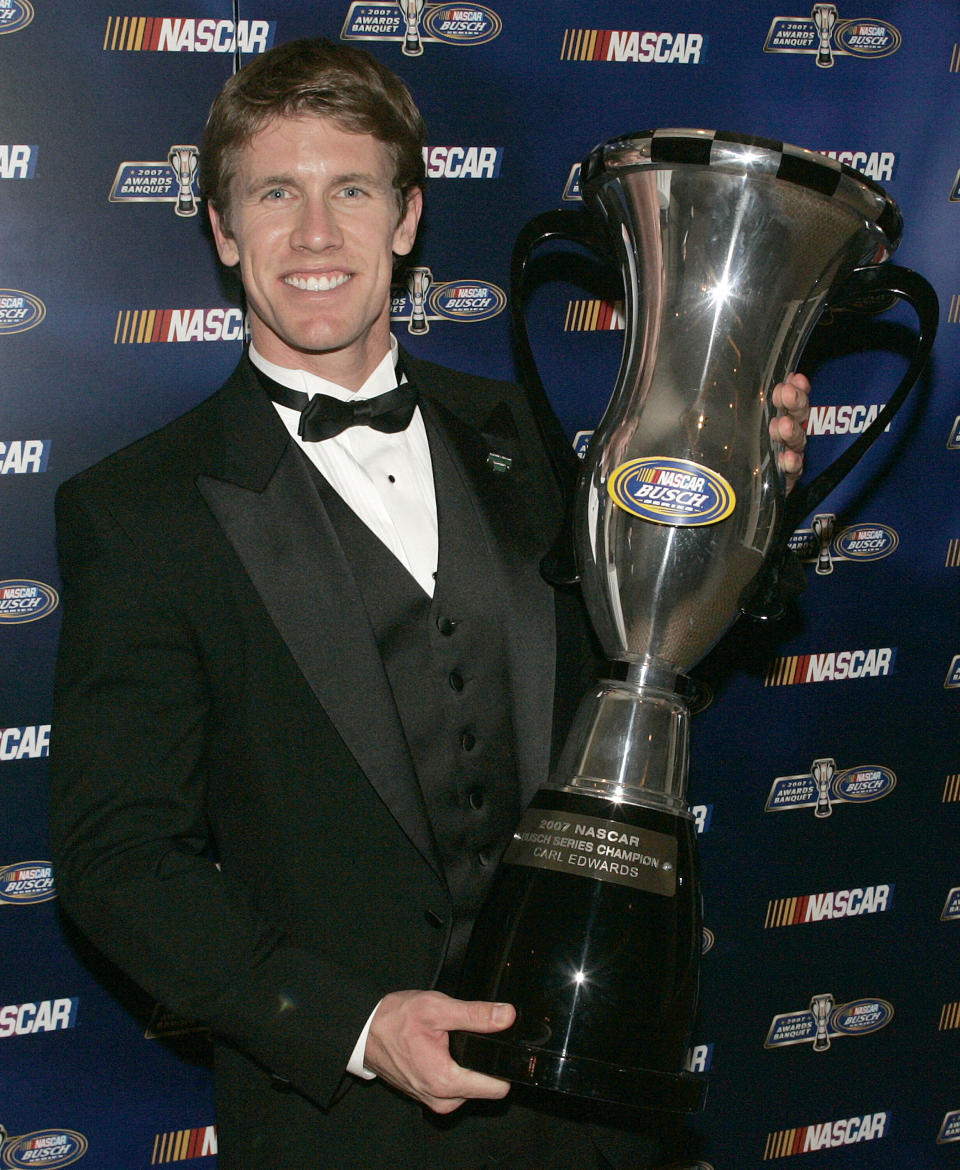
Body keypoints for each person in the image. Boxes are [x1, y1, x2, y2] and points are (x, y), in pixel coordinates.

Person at [50, 38, 810, 1169]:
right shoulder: (139, 511)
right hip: (346, 1125)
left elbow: (676, 646)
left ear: (406, 218)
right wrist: (355, 1027)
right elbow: (118, 860)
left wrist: (749, 503)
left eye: (351, 190)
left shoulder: (541, 439)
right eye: (275, 194)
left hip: (595, 1112)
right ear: (221, 230)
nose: (316, 235)